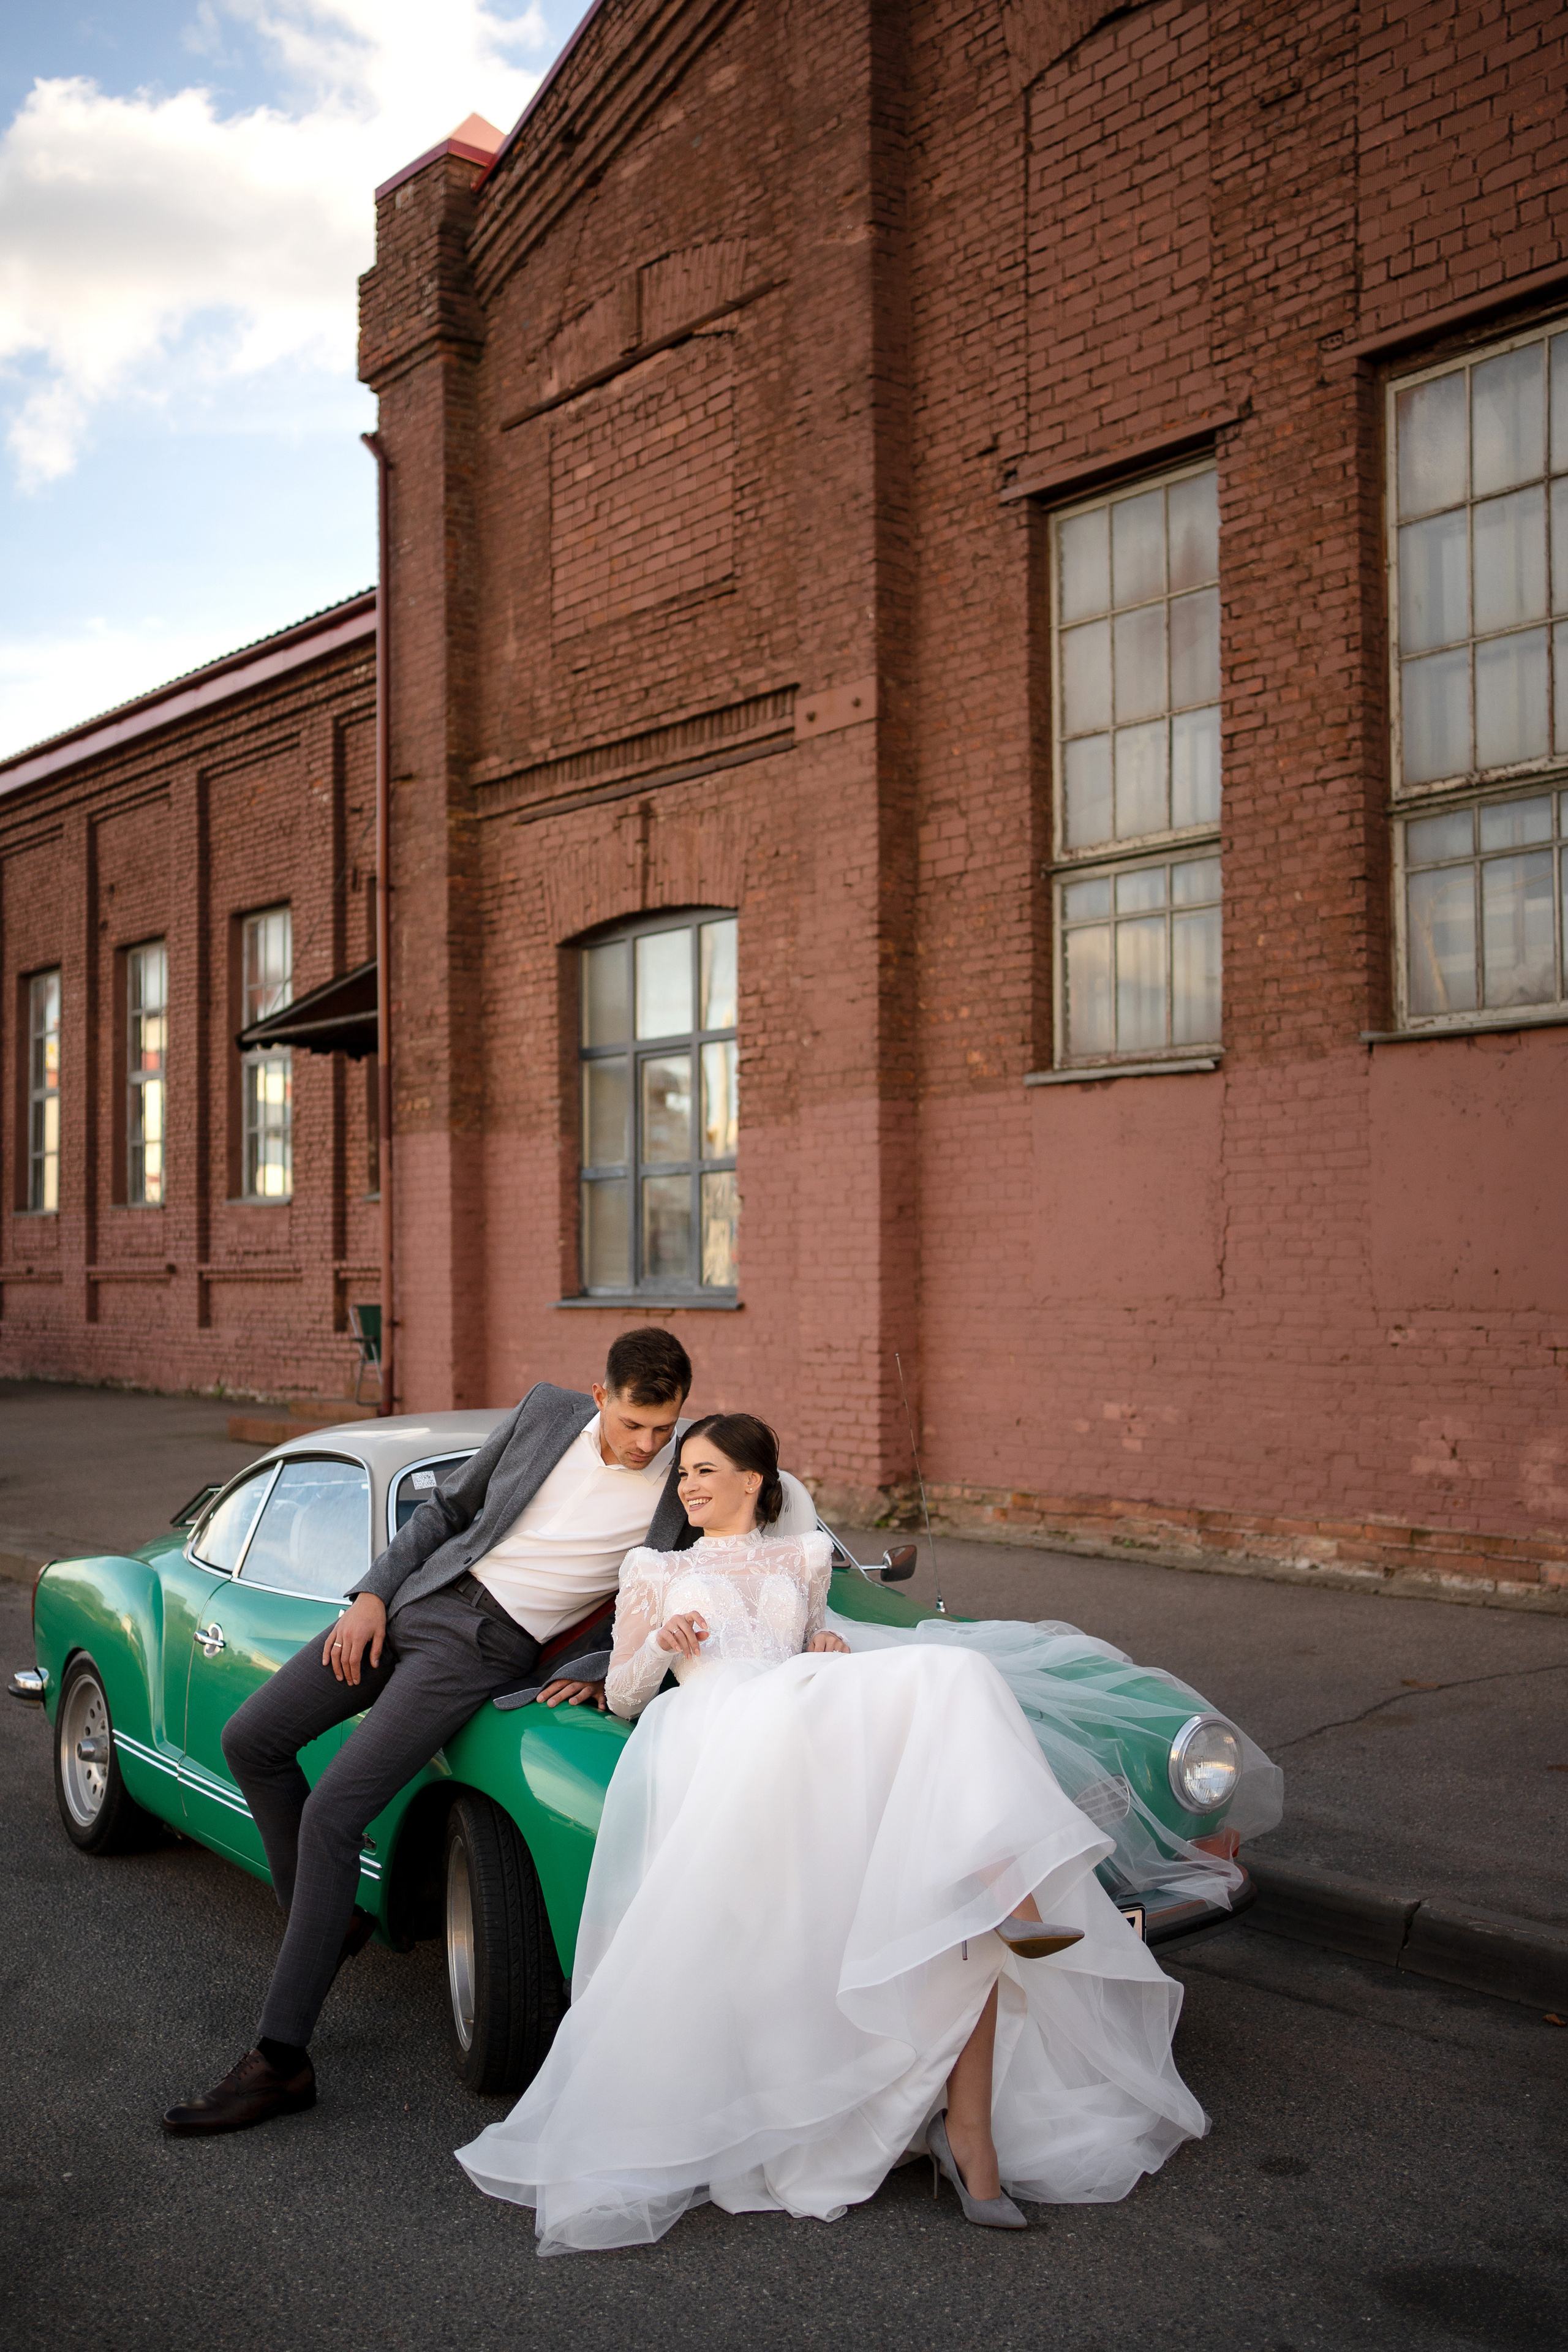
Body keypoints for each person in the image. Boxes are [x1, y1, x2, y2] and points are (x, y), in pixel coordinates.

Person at [454, 1412, 1215, 2253]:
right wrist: (657, 1647)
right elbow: (631, 1694)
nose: (689, 1487)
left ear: (755, 1480)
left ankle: (1000, 1938)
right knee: (941, 1684)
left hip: (797, 1725)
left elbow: (812, 1649)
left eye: (706, 1471)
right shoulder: (656, 1567)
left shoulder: (804, 1557)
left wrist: (826, 1640)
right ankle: (1009, 1921)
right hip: (714, 1736)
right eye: (683, 1477)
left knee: (956, 1678)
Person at [160, 1325, 697, 2138]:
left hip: (482, 1649)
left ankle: (280, 2061)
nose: (647, 1445)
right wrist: (373, 1593)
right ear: (600, 1398)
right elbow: (449, 1507)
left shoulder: (687, 1471)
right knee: (252, 1739)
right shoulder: (548, 1413)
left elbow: (717, 1562)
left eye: (664, 1428)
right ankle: (328, 1915)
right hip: (415, 1601)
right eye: (633, 1426)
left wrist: (599, 1667)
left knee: (334, 1815)